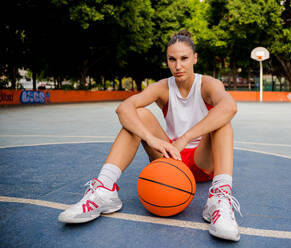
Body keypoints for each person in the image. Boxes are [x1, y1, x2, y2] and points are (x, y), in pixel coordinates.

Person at [58, 30, 242, 241]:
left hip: (204, 160)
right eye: (172, 59)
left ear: (195, 58)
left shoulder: (208, 84)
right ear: (167, 61)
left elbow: (230, 106)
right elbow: (124, 108)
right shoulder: (162, 87)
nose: (178, 66)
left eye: (184, 59)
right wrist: (151, 138)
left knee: (222, 120)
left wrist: (185, 138)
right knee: (139, 115)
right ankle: (104, 190)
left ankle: (218, 200)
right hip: (170, 157)